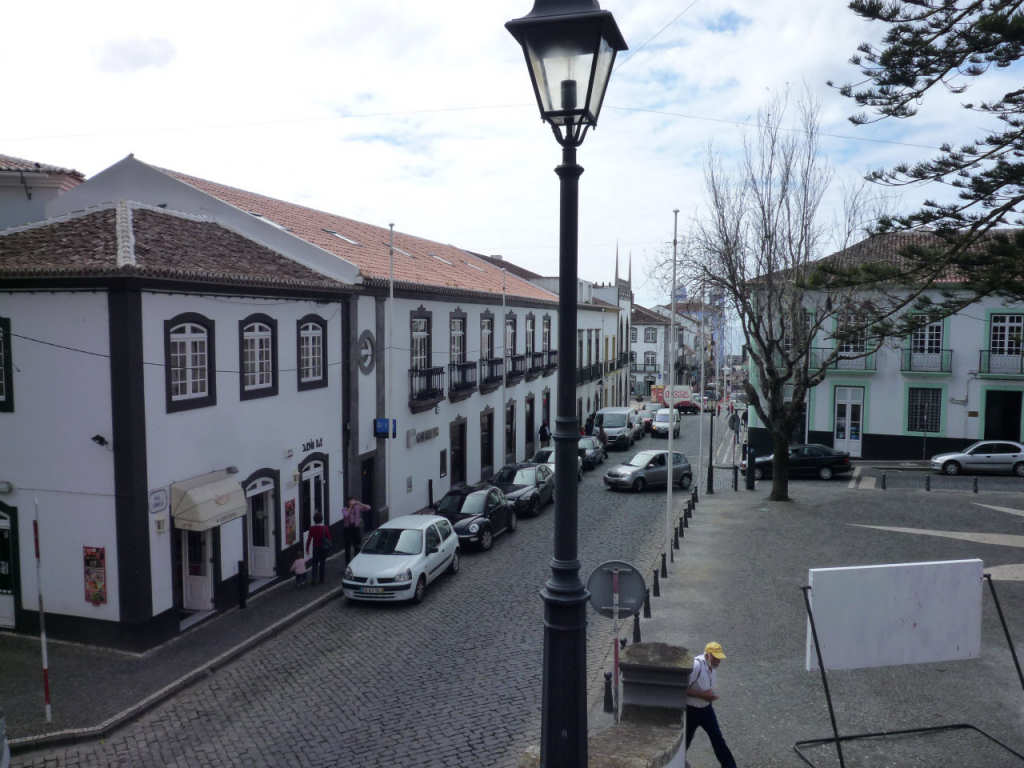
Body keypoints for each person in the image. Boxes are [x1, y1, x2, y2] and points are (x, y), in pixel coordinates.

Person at [685, 641, 738, 768]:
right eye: (715, 658)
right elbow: (681, 688)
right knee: (685, 740)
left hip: (706, 709)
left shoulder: (712, 667)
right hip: (691, 711)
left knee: (718, 739)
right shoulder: (696, 666)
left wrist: (708, 696)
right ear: (708, 655)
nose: (718, 661)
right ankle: (677, 762)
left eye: (719, 658)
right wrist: (702, 695)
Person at [305, 512, 332, 585]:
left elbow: (309, 539)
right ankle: (321, 579)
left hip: (315, 548)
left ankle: (314, 579)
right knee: (322, 563)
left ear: (314, 520)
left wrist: (307, 549)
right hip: (323, 548)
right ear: (321, 519)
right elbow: (329, 538)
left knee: (314, 564)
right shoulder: (325, 528)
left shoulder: (312, 528)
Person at [342, 497, 370, 563]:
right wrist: (350, 507)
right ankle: (347, 563)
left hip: (356, 528)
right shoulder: (344, 509)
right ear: (348, 502)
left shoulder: (357, 507)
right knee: (347, 547)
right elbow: (346, 515)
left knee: (357, 546)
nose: (352, 502)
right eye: (351, 501)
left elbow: (368, 508)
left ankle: (355, 562)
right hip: (347, 529)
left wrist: (359, 503)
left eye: (353, 501)